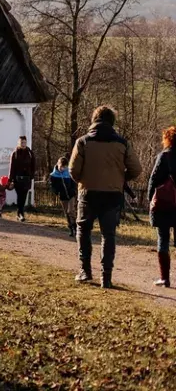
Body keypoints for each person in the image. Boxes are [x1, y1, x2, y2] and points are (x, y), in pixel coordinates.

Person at [70, 105, 141, 289]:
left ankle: (85, 270)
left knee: (83, 230)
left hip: (88, 193)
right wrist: (120, 179)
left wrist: (83, 180)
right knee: (108, 235)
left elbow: (73, 169)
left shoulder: (83, 142)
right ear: (112, 122)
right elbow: (136, 169)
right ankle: (106, 277)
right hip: (112, 195)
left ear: (94, 121)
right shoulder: (122, 143)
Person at [147, 126, 176, 288]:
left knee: (163, 239)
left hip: (165, 204)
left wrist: (150, 200)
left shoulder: (164, 156)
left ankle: (165, 278)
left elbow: (153, 180)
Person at [8, 136, 35, 222]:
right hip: (17, 179)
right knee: (20, 196)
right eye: (21, 143)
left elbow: (33, 165)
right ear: (18, 143)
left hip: (27, 179)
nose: (23, 144)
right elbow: (12, 167)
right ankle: (21, 213)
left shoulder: (30, 153)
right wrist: (10, 179)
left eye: (24, 142)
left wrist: (31, 176)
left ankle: (20, 212)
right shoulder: (15, 153)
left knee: (24, 196)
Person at [49, 156, 77, 237]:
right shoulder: (53, 175)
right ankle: (71, 228)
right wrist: (56, 192)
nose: (63, 169)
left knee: (70, 211)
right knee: (66, 213)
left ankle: (75, 227)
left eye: (65, 167)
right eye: (61, 167)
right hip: (63, 196)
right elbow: (52, 186)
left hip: (71, 195)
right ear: (58, 165)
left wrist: (73, 190)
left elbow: (74, 182)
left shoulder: (69, 173)